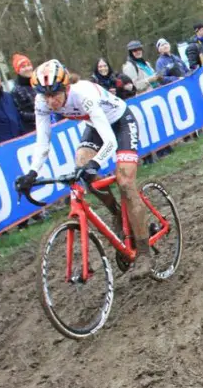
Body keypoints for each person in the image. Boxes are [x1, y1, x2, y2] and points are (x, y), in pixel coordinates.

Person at [14, 60, 155, 274]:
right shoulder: (41, 102)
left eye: (55, 94)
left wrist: (96, 163)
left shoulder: (83, 94)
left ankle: (144, 253)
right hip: (95, 126)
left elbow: (110, 142)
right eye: (46, 96)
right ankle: (116, 213)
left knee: (125, 182)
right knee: (81, 164)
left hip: (120, 123)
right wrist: (32, 173)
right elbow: (43, 142)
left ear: (66, 88)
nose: (51, 102)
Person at [11, 54, 38, 134]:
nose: (27, 68)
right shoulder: (17, 90)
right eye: (23, 67)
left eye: (28, 65)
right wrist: (42, 115)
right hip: (35, 128)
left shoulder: (39, 82)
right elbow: (22, 113)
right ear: (18, 70)